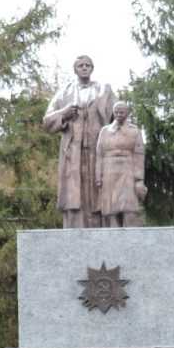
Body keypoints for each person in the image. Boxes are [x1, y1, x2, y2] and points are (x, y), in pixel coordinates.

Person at [43, 55, 117, 228]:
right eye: (81, 65)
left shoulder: (104, 90)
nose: (84, 68)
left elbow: (120, 114)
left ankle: (102, 229)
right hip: (73, 152)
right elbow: (47, 122)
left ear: (92, 68)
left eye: (88, 65)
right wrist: (64, 113)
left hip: (97, 150)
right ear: (75, 69)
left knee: (99, 191)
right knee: (74, 194)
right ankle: (75, 229)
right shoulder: (65, 92)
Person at [95, 101, 147, 227]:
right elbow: (99, 155)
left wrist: (139, 179)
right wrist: (99, 178)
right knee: (111, 210)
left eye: (121, 112)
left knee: (129, 208)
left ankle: (134, 238)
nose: (118, 114)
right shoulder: (105, 131)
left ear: (127, 113)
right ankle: (113, 240)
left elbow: (139, 155)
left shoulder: (134, 131)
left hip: (127, 170)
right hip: (109, 171)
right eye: (116, 112)